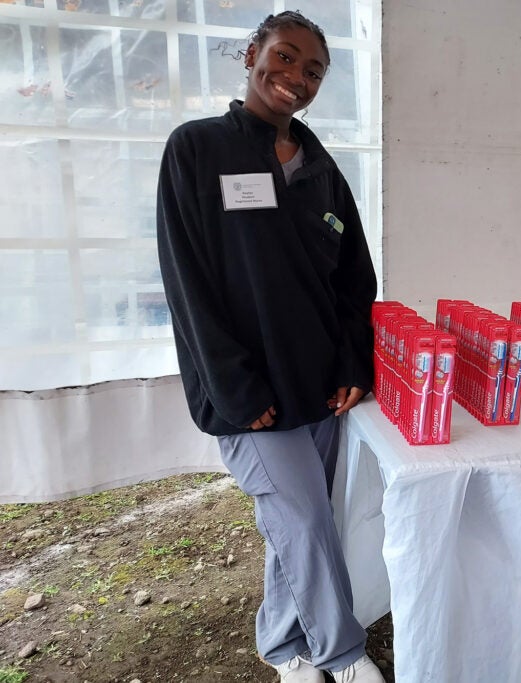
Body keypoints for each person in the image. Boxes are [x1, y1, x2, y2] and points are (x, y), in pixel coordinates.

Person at [156, 11, 383, 683]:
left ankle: (286, 646)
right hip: (251, 393)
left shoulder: (320, 170)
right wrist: (233, 387)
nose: (296, 77)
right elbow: (187, 278)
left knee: (301, 520)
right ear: (252, 54)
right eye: (285, 57)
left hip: (320, 387)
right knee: (307, 522)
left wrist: (352, 364)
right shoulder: (197, 150)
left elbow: (353, 281)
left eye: (312, 70)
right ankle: (342, 656)